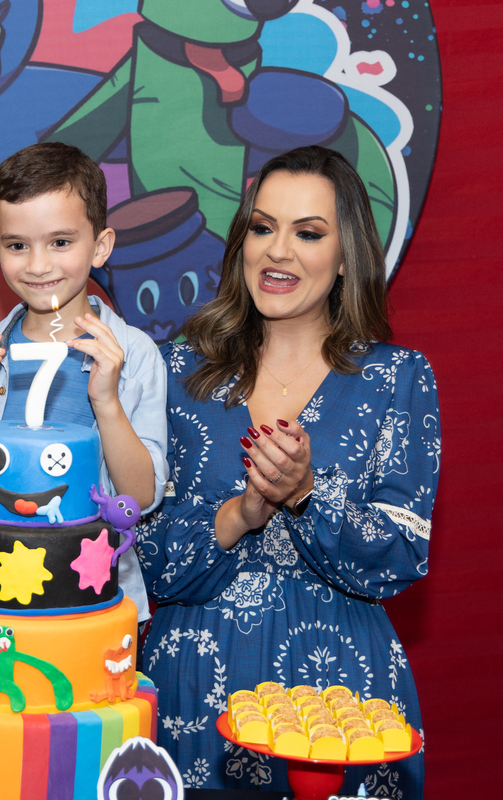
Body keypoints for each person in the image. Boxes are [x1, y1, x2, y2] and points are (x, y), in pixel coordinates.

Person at [137, 146, 437, 796]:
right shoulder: (171, 372)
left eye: (308, 233)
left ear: (346, 255)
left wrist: (306, 495)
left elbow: (401, 557)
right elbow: (140, 561)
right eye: (263, 226)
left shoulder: (396, 378)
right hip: (194, 694)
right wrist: (239, 514)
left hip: (345, 703)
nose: (278, 251)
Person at [0, 142, 168, 629]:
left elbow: (141, 497)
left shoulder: (134, 354)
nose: (38, 265)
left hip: (88, 602)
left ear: (100, 245)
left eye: (60, 242)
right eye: (18, 245)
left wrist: (107, 402)